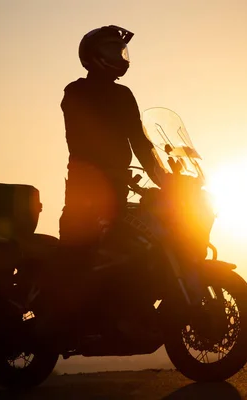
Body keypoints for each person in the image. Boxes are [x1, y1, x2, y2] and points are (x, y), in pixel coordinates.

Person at [31, 26, 166, 348]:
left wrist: (166, 179)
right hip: (86, 188)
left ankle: (125, 312)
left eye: (122, 51)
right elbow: (81, 136)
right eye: (112, 51)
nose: (120, 57)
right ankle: (67, 319)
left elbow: (141, 141)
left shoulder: (124, 94)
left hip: (115, 186)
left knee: (134, 246)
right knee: (84, 250)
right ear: (93, 57)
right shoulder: (76, 93)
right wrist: (108, 169)